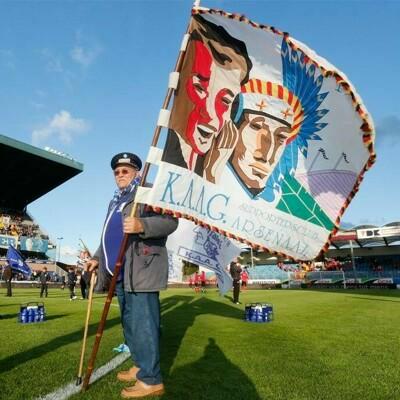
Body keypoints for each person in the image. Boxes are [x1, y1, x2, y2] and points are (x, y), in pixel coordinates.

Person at [85, 152, 178, 398]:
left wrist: (143, 226)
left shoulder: (148, 192)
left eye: (125, 170)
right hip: (119, 273)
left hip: (141, 268)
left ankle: (151, 380)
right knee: (130, 323)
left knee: (144, 324)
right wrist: (96, 257)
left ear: (137, 171)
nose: (119, 175)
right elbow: (109, 235)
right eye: (116, 171)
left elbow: (170, 222)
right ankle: (139, 365)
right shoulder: (116, 200)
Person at [162, 14, 252, 177]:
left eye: (225, 100)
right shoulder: (173, 157)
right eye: (199, 88)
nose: (210, 114)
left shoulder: (216, 163)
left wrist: (212, 172)